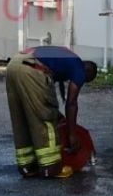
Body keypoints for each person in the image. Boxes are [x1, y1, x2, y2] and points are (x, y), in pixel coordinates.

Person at [5, 45, 98, 178]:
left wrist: (60, 116)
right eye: (84, 80)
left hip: (14, 65)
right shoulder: (80, 68)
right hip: (32, 68)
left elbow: (40, 97)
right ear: (87, 72)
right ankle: (51, 168)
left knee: (21, 117)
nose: (80, 81)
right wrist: (72, 134)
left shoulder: (66, 58)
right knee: (46, 119)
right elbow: (71, 103)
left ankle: (27, 166)